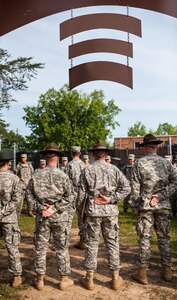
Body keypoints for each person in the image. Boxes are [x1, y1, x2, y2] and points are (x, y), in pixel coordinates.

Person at [77, 140, 131, 290]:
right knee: (112, 243)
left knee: (92, 244)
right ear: (106, 154)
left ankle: (89, 279)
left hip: (93, 212)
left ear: (94, 154)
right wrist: (112, 199)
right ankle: (114, 278)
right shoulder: (114, 169)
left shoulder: (87, 170)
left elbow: (81, 195)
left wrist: (81, 211)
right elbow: (126, 188)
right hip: (110, 212)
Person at [130, 134, 177, 285]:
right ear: (155, 147)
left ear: (144, 147)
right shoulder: (166, 163)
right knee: (164, 237)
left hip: (145, 207)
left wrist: (135, 207)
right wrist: (161, 196)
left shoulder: (138, 163)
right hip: (162, 206)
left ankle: (142, 272)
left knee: (144, 238)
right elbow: (175, 183)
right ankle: (167, 270)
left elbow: (134, 188)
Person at [26, 143, 74, 291]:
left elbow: (29, 195)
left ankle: (40, 279)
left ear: (45, 157)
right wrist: (54, 208)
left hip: (42, 217)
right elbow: (70, 196)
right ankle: (63, 279)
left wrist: (42, 208)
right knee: (62, 247)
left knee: (41, 247)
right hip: (60, 217)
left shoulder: (36, 175)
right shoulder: (63, 175)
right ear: (58, 157)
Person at [0, 151, 22, 288]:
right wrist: (2, 212)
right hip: (9, 218)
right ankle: (17, 277)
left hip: (6, 217)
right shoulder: (14, 179)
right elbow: (16, 200)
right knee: (12, 247)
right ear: (9, 163)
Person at [65, 146, 86, 249]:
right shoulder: (84, 165)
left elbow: (65, 182)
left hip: (71, 194)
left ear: (71, 153)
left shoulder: (69, 165)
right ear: (80, 153)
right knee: (82, 218)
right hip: (82, 195)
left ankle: (64, 242)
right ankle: (83, 241)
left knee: (68, 218)